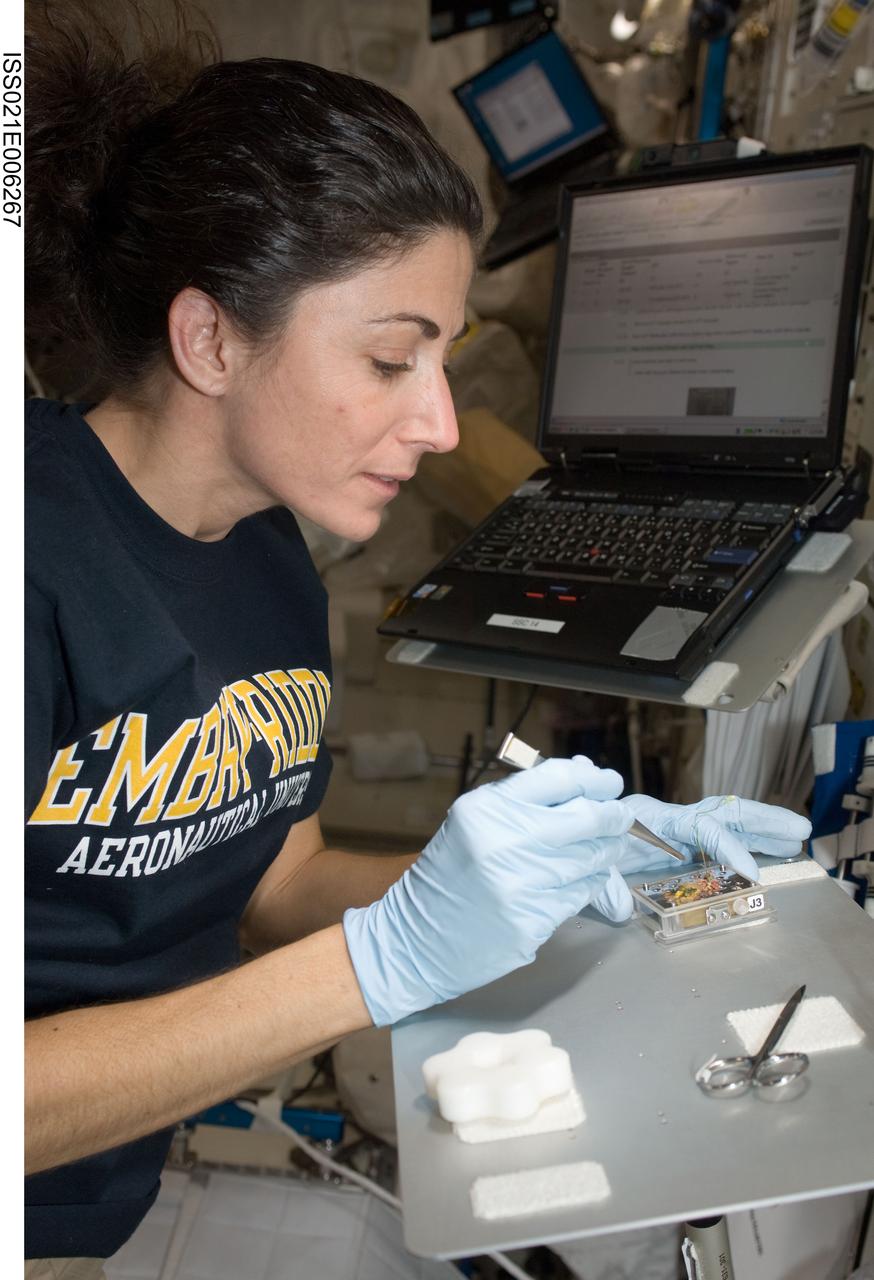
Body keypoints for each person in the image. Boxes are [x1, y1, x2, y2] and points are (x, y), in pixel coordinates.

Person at [24, 3, 812, 1274]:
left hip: (91, 1198)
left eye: (438, 359)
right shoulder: (31, 564)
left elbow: (276, 878)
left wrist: (559, 886)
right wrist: (381, 963)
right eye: (393, 359)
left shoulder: (266, 552)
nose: (442, 424)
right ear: (210, 337)